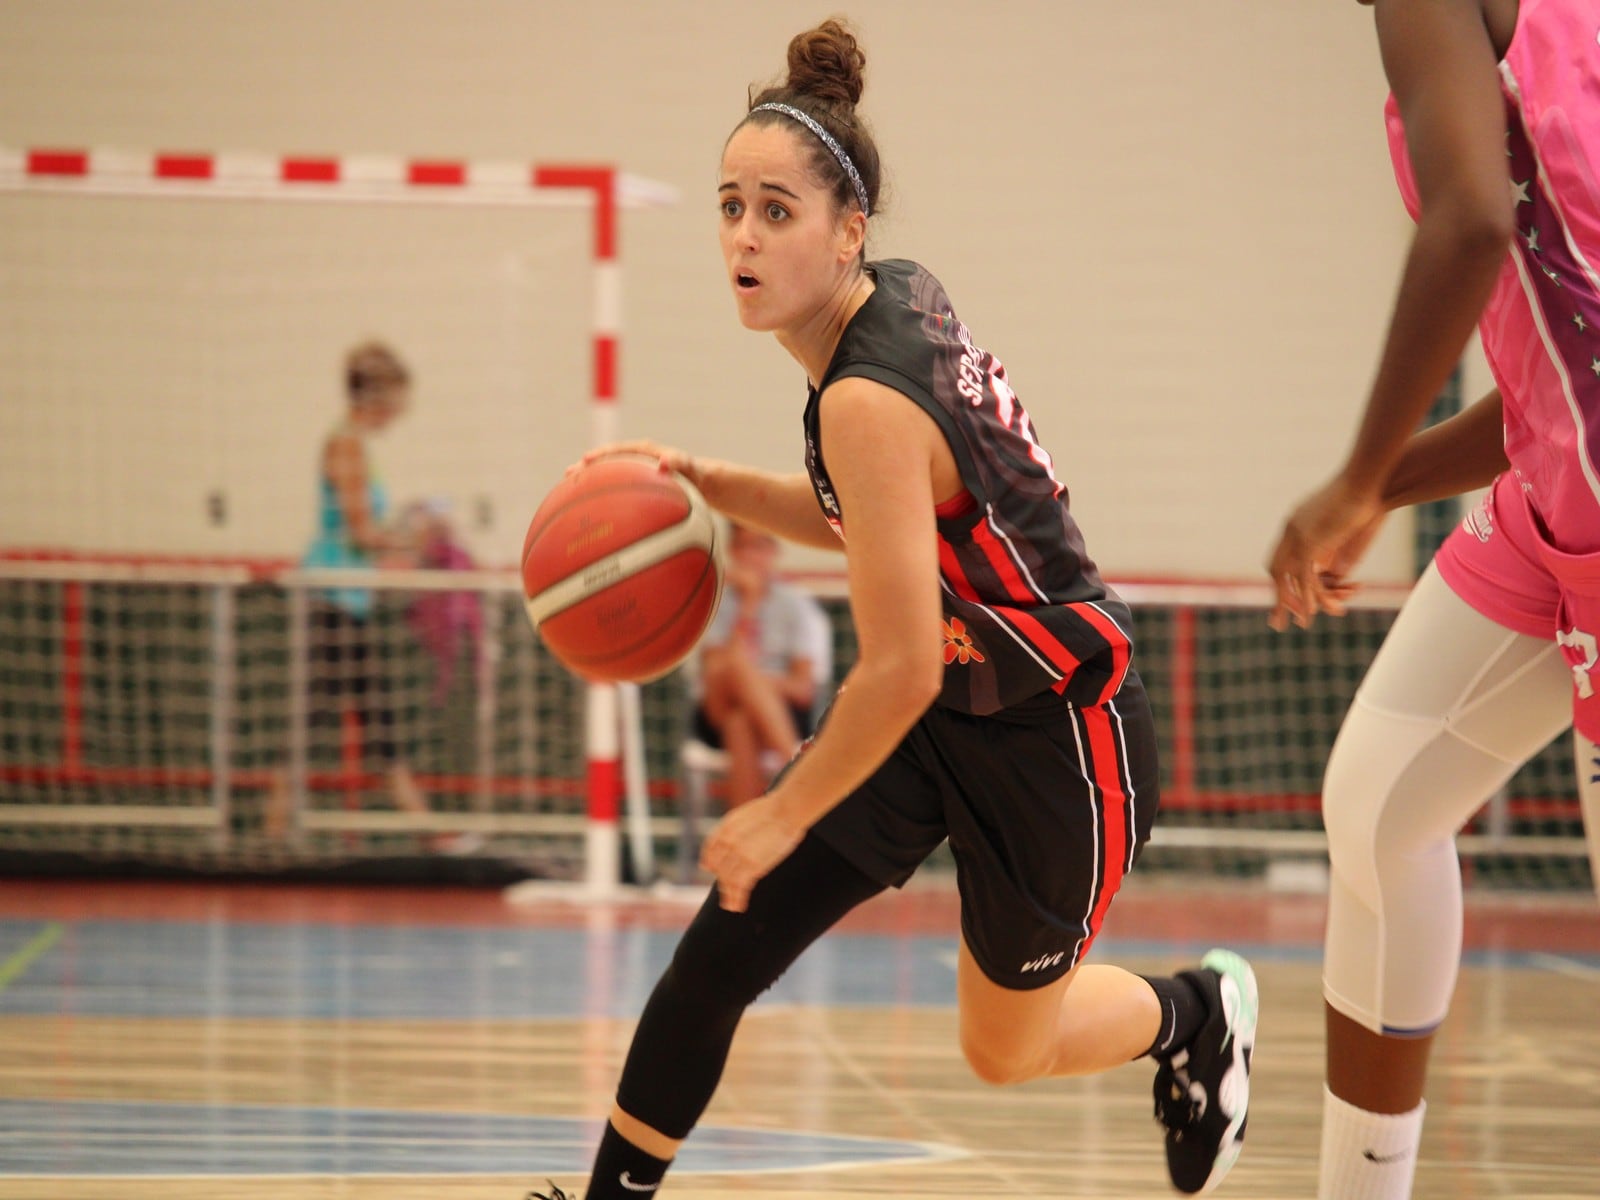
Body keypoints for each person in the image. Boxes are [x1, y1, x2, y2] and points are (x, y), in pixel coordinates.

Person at [531, 21, 1258, 1200]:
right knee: (723, 945)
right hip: (947, 707)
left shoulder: (863, 397)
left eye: (776, 210)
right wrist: (715, 485)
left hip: (1052, 732)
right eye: (728, 207)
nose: (744, 236)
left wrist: (777, 813)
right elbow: (873, 525)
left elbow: (899, 663)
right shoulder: (892, 307)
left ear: (847, 229)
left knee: (1000, 1049)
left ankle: (1194, 1013)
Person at [1265, 2, 1600, 1197]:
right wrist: (1377, 486)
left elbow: (1466, 223)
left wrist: (1359, 477)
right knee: (1377, 805)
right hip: (1549, 511)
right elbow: (1543, 392)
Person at [266, 341, 432, 839]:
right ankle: (430, 830)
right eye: (398, 401)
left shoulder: (357, 446)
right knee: (346, 718)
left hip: (348, 601)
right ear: (380, 399)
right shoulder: (346, 445)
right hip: (331, 600)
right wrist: (413, 538)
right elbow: (362, 533)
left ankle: (429, 828)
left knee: (357, 718)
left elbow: (367, 528)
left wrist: (407, 530)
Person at [690, 520, 831, 807]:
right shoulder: (714, 604)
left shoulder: (797, 608)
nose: (751, 555)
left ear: (773, 551)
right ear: (732, 551)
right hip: (716, 707)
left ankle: (746, 838)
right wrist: (749, 605)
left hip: (783, 712)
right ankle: (803, 778)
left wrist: (756, 683)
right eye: (743, 546)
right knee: (732, 668)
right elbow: (715, 673)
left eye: (760, 545)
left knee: (739, 723)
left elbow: (803, 689)